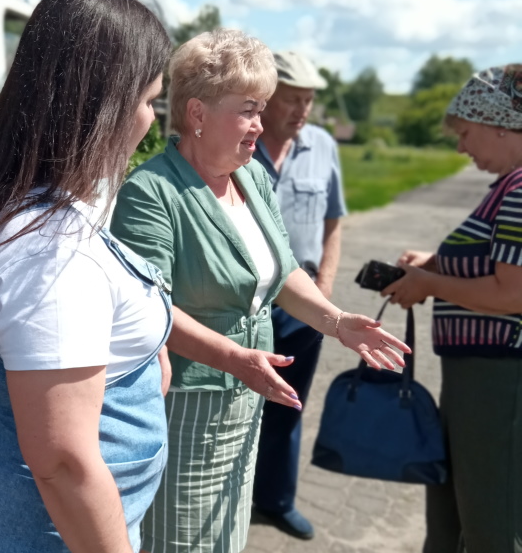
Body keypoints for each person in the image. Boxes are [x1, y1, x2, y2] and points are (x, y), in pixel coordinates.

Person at [110, 29, 410, 553]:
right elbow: (148, 311)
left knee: (227, 536)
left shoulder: (253, 179)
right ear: (197, 114)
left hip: (247, 398)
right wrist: (233, 359)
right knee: (180, 541)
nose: (261, 125)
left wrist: (337, 321)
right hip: (187, 405)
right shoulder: (151, 192)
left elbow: (284, 271)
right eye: (249, 109)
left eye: (263, 108)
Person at [0, 0, 173, 553]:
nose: (151, 123)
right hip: (44, 531)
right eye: (147, 102)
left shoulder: (10, 195)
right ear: (105, 105)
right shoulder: (52, 255)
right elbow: (65, 464)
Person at [383, 64, 522, 553]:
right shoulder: (509, 187)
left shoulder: (521, 190)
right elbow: (494, 261)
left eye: (465, 133)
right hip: (480, 376)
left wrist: (428, 283)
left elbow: (513, 293)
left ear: (501, 124)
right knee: (458, 511)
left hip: (500, 381)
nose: (462, 147)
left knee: (492, 520)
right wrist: (435, 263)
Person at [250, 51, 346, 540]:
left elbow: (334, 221)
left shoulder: (323, 147)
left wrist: (326, 286)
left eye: (308, 100)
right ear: (266, 100)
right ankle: (231, 496)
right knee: (238, 406)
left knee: (289, 405)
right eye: (292, 99)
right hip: (246, 303)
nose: (302, 110)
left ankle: (276, 500)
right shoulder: (238, 144)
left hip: (304, 304)